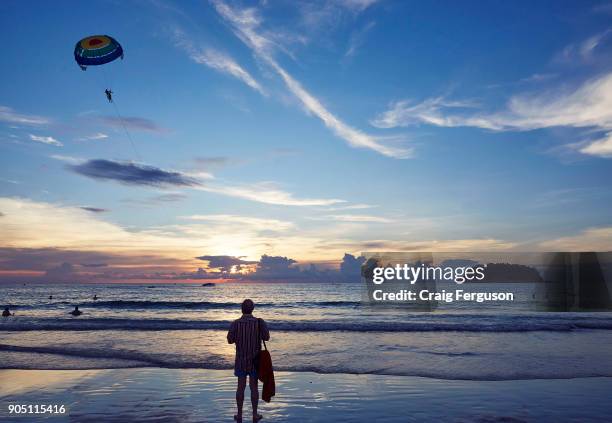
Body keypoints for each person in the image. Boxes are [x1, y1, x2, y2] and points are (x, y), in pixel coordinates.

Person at [227, 299, 269, 423]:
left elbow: (229, 340)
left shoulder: (236, 323)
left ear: (241, 308)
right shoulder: (259, 322)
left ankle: (239, 415)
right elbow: (266, 337)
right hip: (255, 361)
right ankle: (254, 414)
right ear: (253, 309)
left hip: (240, 360)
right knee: (254, 388)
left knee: (240, 388)